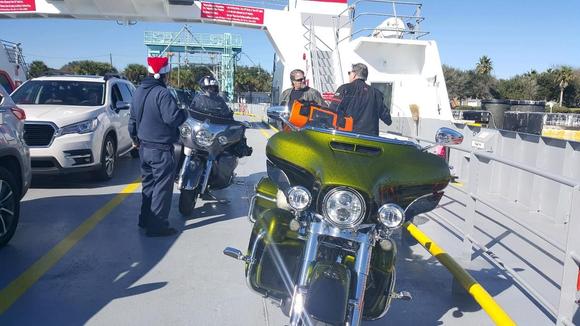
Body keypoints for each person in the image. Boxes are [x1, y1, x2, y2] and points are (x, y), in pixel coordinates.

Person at [129, 56, 188, 237]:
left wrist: (135, 140)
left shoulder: (139, 91)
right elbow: (172, 118)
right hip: (161, 149)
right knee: (162, 188)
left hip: (143, 148)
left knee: (148, 186)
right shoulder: (163, 94)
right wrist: (184, 112)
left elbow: (132, 120)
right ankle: (157, 226)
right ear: (165, 75)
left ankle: (144, 219)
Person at [330, 63, 392, 136]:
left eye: (349, 73)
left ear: (354, 75)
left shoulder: (344, 89)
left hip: (348, 137)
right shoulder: (376, 94)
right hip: (370, 139)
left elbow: (332, 111)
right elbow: (387, 119)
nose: (349, 75)